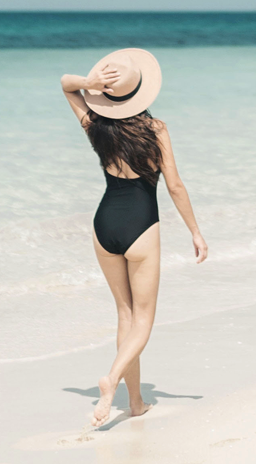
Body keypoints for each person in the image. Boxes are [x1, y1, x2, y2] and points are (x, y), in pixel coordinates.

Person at [60, 48, 208, 428]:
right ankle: (111, 380)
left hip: (103, 224)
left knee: (124, 315)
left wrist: (87, 84)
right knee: (143, 321)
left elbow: (65, 85)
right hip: (141, 225)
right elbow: (173, 185)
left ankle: (137, 402)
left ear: (107, 95)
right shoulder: (155, 129)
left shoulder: (95, 125)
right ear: (140, 90)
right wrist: (195, 231)